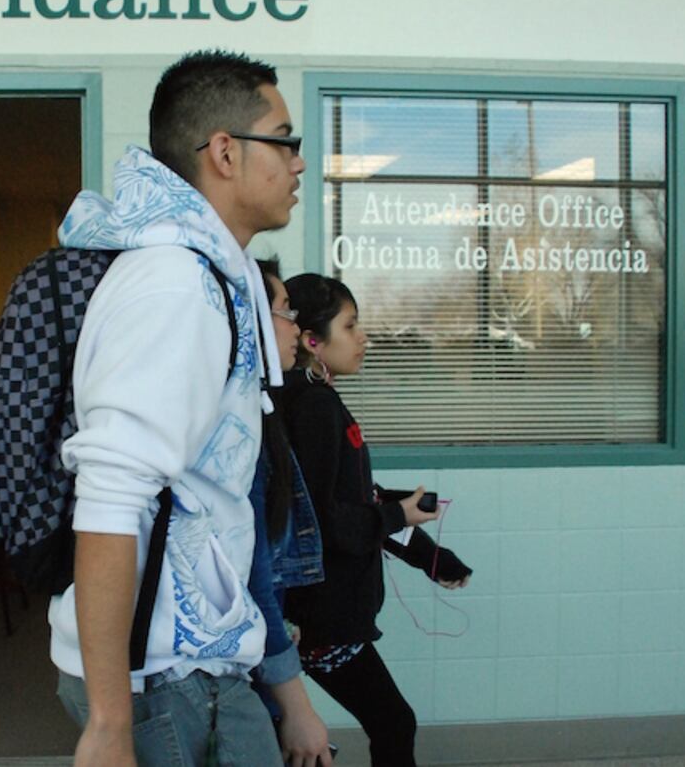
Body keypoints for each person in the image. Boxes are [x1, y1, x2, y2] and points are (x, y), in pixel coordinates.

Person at [51, 50, 324, 767]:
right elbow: (111, 498)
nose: (300, 164)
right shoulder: (175, 285)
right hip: (163, 677)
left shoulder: (212, 273)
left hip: (199, 661)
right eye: (286, 141)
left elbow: (221, 495)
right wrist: (111, 723)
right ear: (226, 153)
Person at [278, 273, 472, 767]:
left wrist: (430, 556)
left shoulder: (313, 400)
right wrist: (394, 513)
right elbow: (322, 520)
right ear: (312, 341)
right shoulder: (314, 406)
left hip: (321, 615)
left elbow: (356, 499)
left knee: (310, 736)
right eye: (351, 325)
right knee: (392, 721)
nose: (363, 337)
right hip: (322, 619)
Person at [246, 258, 330, 760]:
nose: (296, 325)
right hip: (254, 653)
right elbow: (253, 569)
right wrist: (295, 702)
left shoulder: (265, 405)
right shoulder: (245, 421)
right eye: (282, 309)